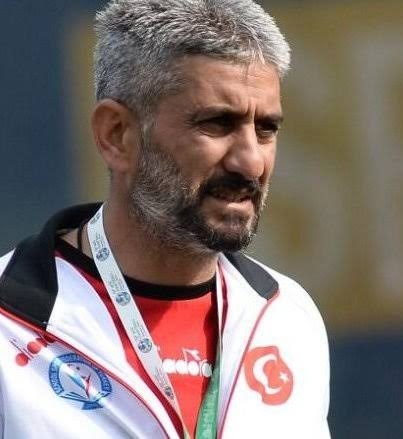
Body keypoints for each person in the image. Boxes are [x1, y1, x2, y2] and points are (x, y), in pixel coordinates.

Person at [0, 0, 330, 437]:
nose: (251, 162)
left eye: (266, 129)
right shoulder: (8, 323)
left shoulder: (288, 317)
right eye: (217, 123)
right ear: (116, 135)